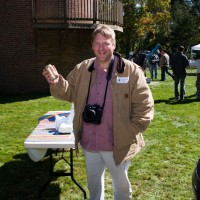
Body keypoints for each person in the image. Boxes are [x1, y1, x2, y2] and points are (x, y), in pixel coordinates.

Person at [42, 24, 154, 200]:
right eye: (97, 43)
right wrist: (56, 82)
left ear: (114, 45)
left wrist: (129, 131)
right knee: (94, 187)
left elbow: (145, 105)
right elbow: (68, 92)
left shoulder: (130, 70)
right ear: (92, 46)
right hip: (90, 142)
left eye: (106, 43)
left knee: (122, 189)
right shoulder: (82, 68)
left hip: (117, 143)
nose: (101, 48)